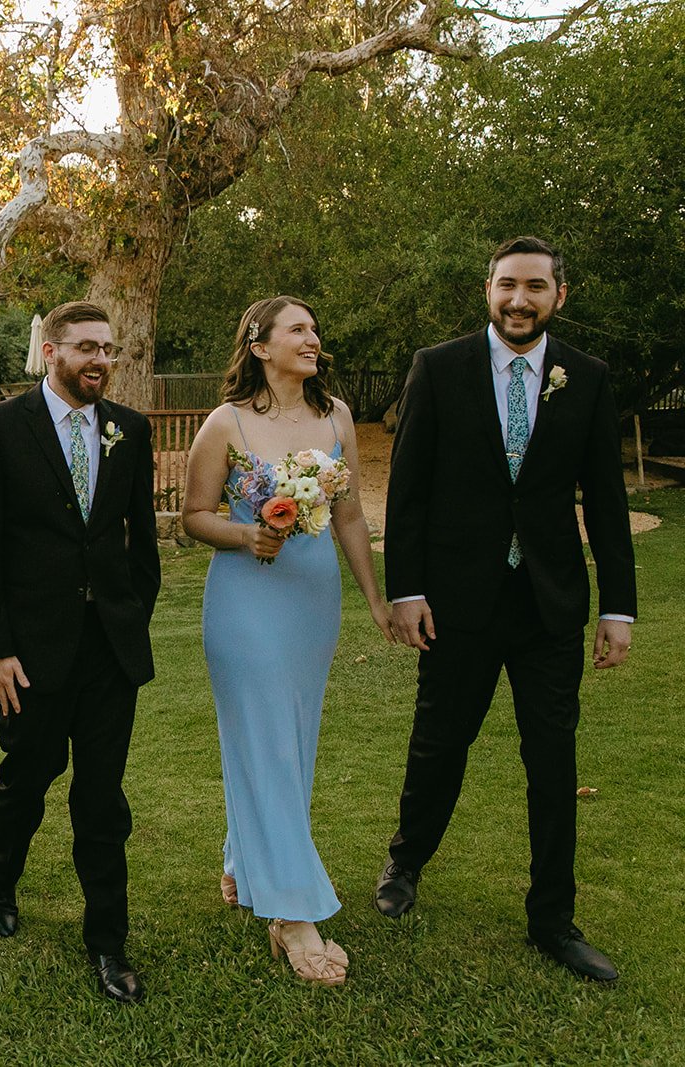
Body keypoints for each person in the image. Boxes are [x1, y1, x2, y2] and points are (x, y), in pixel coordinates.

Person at [374, 236, 637, 983]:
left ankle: (552, 917)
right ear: (487, 289)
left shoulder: (585, 377)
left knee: (552, 761)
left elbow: (608, 504)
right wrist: (407, 590)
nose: (519, 300)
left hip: (549, 604)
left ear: (560, 296)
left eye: (535, 288)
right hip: (457, 601)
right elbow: (409, 489)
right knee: (439, 742)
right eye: (506, 286)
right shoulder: (438, 366)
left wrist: (619, 606)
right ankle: (405, 863)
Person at [180, 297, 392, 986]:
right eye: (297, 329)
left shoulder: (335, 419)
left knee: (293, 739)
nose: (313, 338)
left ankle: (247, 860)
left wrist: (375, 598)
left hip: (311, 598)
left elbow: (352, 515)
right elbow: (193, 516)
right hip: (244, 600)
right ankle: (292, 913)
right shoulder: (227, 423)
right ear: (260, 344)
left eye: (314, 328)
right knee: (265, 737)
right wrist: (248, 533)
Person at [0, 300, 161, 1004]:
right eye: (86, 347)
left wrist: (131, 618)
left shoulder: (129, 430)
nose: (101, 359)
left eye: (108, 348)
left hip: (109, 651)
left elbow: (143, 545)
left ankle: (108, 941)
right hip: (30, 653)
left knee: (102, 799)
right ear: (50, 351)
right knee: (29, 773)